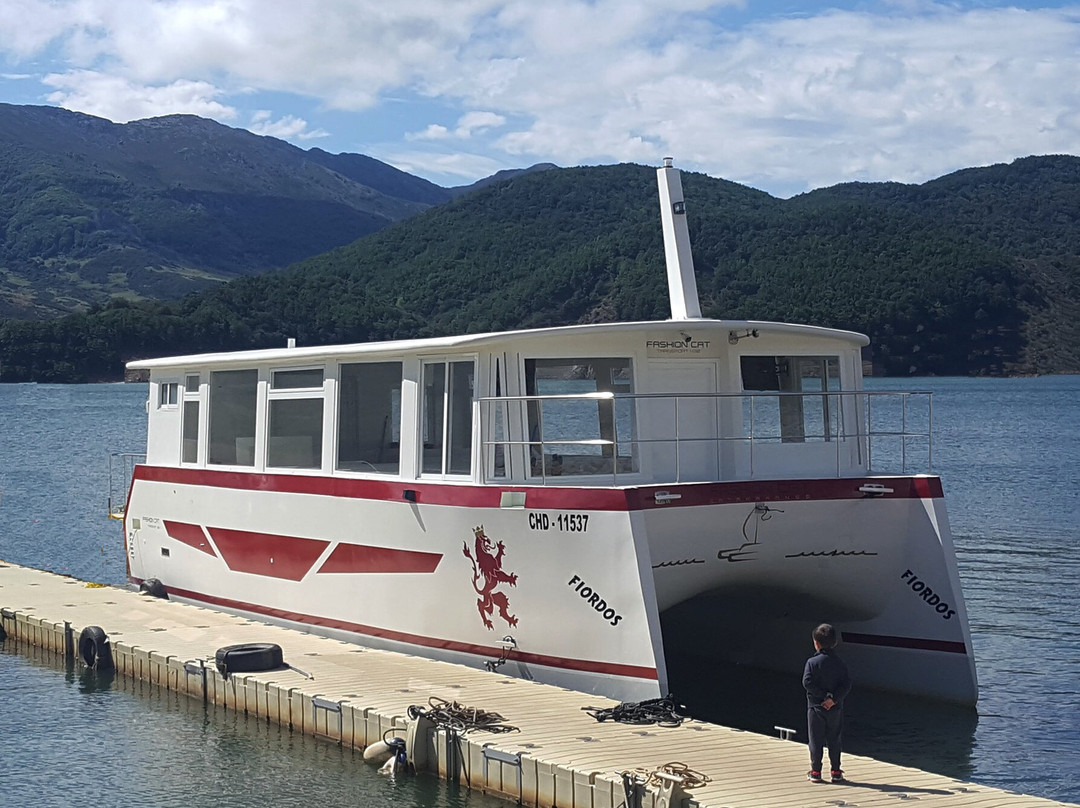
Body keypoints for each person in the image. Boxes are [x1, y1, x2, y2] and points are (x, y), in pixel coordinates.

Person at [803, 623, 852, 783]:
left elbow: (807, 682)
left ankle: (816, 771)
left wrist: (822, 696)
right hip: (835, 707)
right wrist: (833, 699)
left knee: (815, 740)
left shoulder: (812, 662)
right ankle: (836, 771)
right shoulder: (840, 663)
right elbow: (846, 685)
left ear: (816, 643)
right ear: (835, 642)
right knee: (834, 739)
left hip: (816, 706)